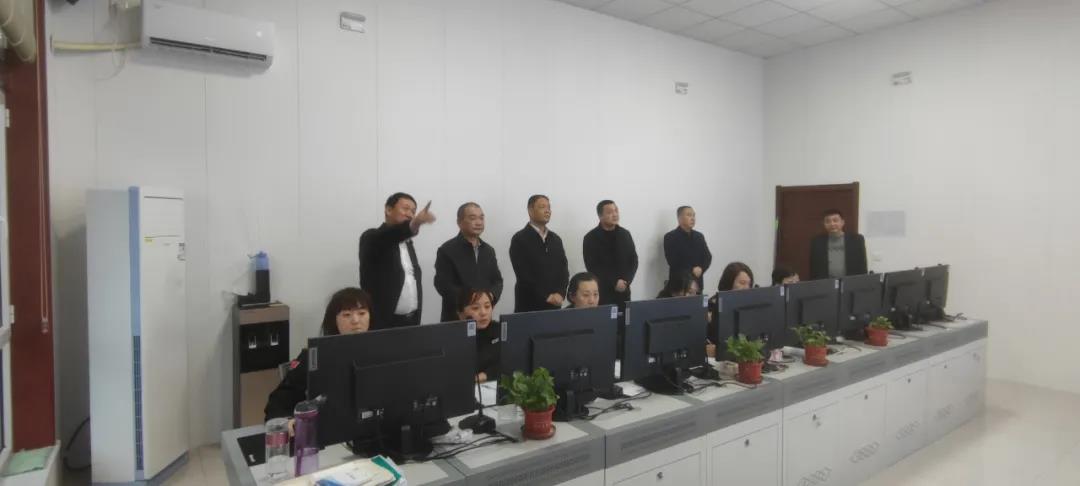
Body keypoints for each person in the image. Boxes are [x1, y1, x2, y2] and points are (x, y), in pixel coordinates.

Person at [264, 288, 372, 421]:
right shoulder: (314, 354)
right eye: (346, 315)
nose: (355, 320)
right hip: (327, 425)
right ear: (334, 320)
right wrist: (288, 422)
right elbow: (279, 401)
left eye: (362, 313)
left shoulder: (380, 351)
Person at [358, 193, 436, 329]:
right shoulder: (371, 237)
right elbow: (390, 236)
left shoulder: (408, 243)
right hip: (383, 323)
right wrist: (415, 223)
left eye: (413, 211)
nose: (410, 214)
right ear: (388, 210)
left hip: (411, 321)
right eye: (406, 209)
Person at [434, 202, 504, 321]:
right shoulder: (446, 250)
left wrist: (490, 296)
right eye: (473, 218)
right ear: (459, 222)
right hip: (456, 317)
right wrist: (470, 300)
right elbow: (443, 284)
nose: (479, 222)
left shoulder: (488, 250)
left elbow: (497, 281)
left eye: (481, 218)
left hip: (484, 317)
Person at [509, 195, 569, 312]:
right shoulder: (519, 239)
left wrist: (561, 293)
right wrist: (546, 296)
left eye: (549, 207)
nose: (547, 211)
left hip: (555, 303)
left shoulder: (556, 239)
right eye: (542, 207)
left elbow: (563, 269)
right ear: (530, 211)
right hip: (529, 304)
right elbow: (523, 274)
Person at [582, 200, 638, 308]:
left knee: (625, 317)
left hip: (624, 291)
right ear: (600, 216)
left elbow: (633, 260)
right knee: (604, 318)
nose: (615, 214)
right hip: (603, 291)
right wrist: (614, 282)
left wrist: (626, 281)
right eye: (610, 212)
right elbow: (592, 266)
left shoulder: (625, 234)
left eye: (616, 210)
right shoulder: (590, 238)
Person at [809, 209, 868, 280]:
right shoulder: (817, 242)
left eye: (835, 220)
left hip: (851, 281)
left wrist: (863, 282)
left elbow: (862, 264)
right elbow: (814, 267)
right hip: (826, 282)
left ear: (842, 222)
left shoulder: (856, 240)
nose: (832, 224)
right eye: (828, 221)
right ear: (824, 224)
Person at [664, 206, 712, 291]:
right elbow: (673, 261)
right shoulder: (670, 237)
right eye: (689, 215)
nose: (693, 218)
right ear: (679, 218)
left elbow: (708, 257)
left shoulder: (699, 236)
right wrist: (692, 270)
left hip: (697, 284)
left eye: (694, 215)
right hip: (679, 285)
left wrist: (701, 268)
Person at [456, 288, 500, 383]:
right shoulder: (455, 339)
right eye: (475, 308)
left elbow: (510, 363)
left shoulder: (500, 330)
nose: (483, 313)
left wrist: (484, 375)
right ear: (461, 314)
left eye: (487, 306)